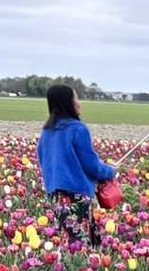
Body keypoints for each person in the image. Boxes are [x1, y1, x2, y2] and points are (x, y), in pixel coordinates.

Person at [37, 84, 118, 247]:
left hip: (55, 195)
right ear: (68, 102)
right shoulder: (77, 129)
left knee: (68, 239)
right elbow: (91, 165)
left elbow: (43, 160)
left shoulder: (47, 132)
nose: (79, 102)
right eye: (76, 98)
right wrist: (110, 172)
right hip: (76, 195)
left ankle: (68, 270)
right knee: (79, 243)